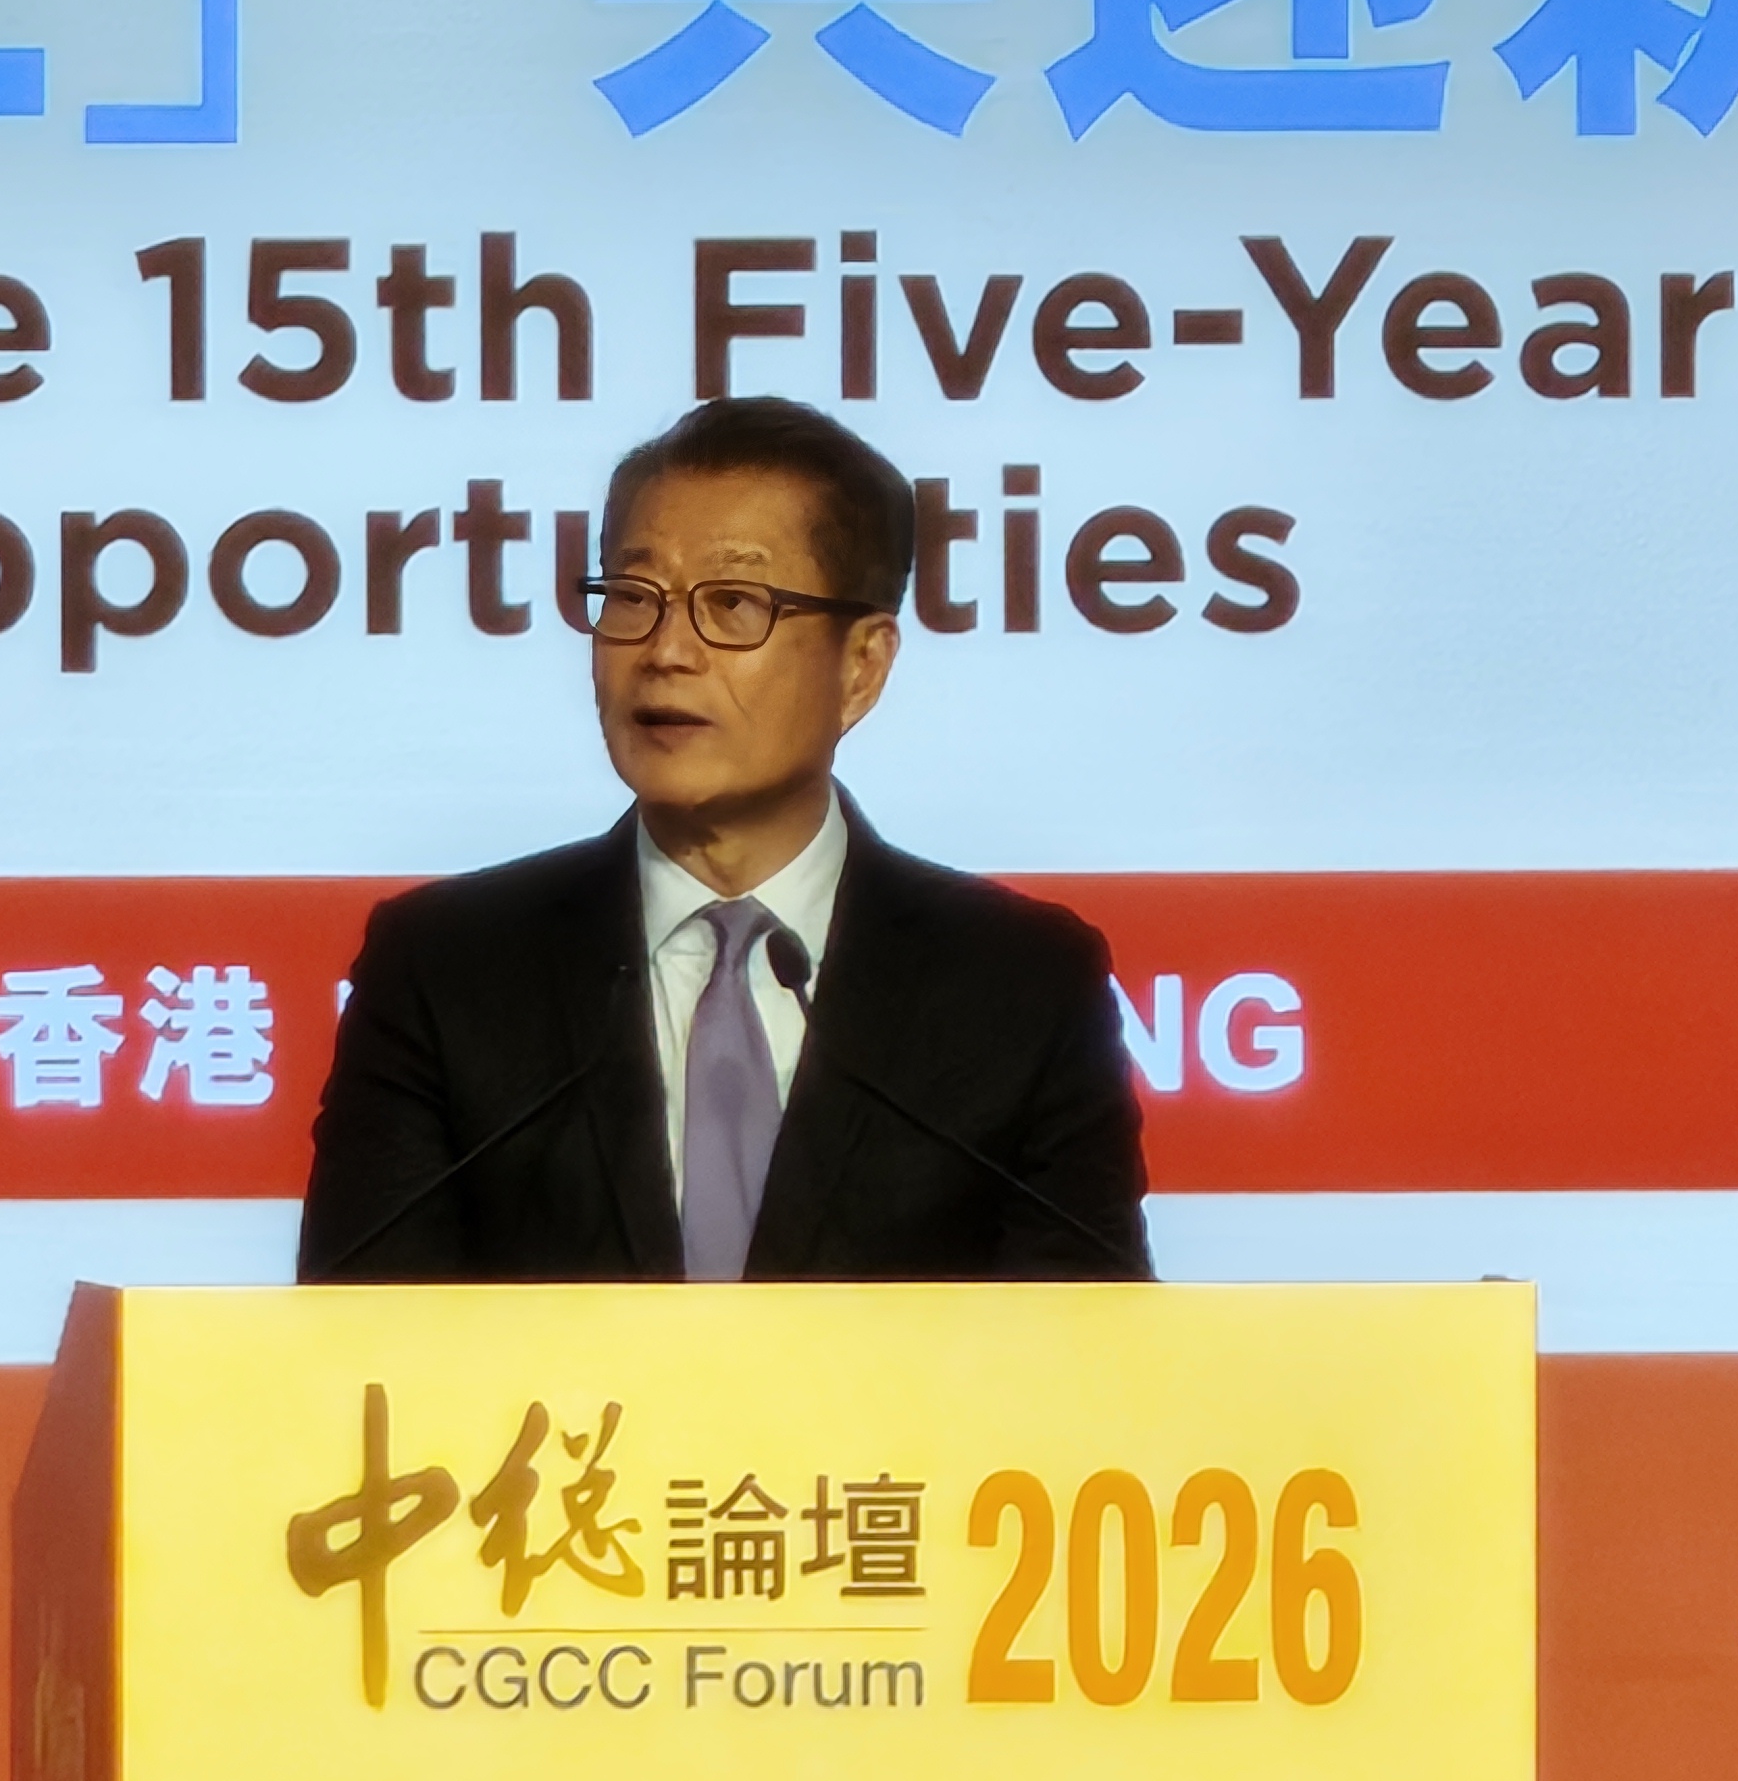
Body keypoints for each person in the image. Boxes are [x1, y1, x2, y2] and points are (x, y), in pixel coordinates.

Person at [298, 397, 1152, 1283]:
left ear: (861, 666)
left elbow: (1088, 1349)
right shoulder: (445, 970)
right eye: (632, 599)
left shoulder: (1021, 986)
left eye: (734, 603)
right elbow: (359, 1334)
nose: (666, 651)